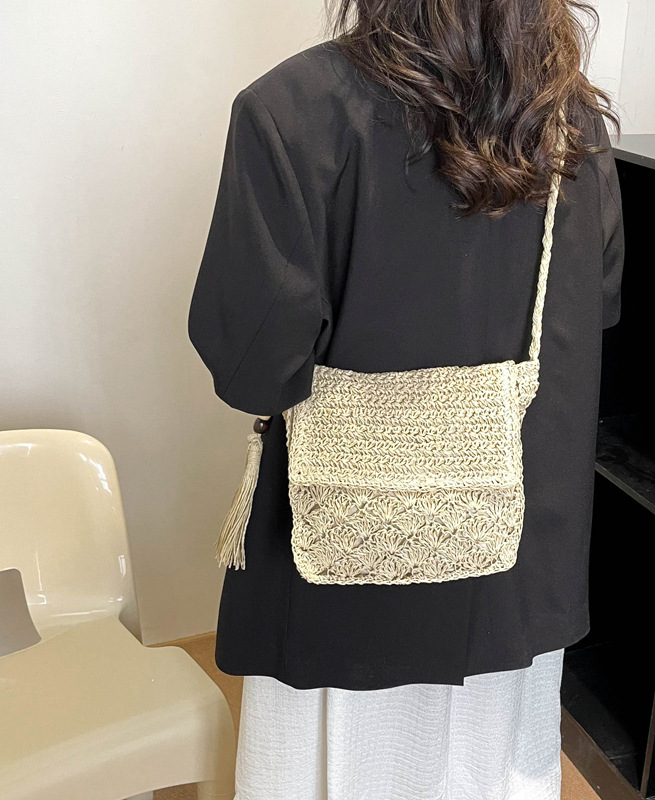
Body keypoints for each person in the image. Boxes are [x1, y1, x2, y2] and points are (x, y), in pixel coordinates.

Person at [187, 0, 624, 797]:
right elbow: (594, 313)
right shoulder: (571, 123)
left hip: (343, 560)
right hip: (513, 568)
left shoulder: (289, 109)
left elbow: (255, 370)